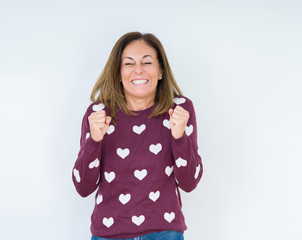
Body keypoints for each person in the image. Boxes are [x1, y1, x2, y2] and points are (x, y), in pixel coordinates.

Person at [72, 32, 203, 240]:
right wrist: (94, 142)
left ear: (160, 70)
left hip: (165, 233)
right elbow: (83, 187)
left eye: (147, 62)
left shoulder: (180, 109)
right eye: (129, 63)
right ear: (118, 72)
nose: (138, 69)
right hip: (108, 234)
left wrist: (179, 137)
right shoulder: (98, 114)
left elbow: (189, 182)